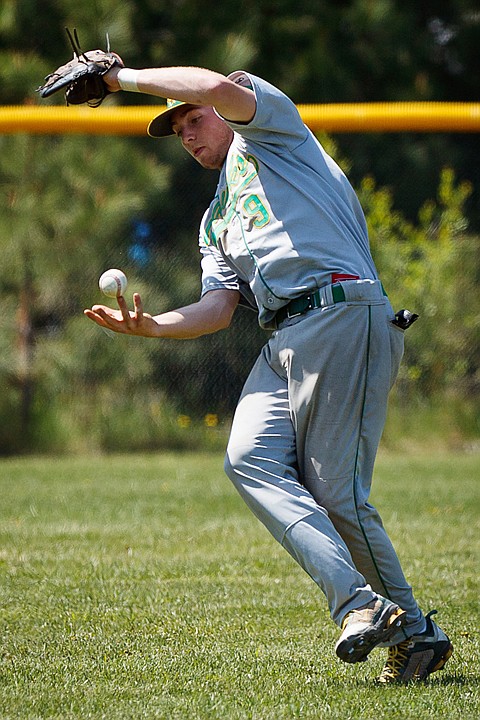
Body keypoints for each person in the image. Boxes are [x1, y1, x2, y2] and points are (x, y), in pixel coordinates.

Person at [84, 60, 453, 683]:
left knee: (337, 493)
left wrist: (121, 80)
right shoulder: (215, 219)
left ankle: (414, 631)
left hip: (340, 313)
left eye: (193, 121)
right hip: (282, 335)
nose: (189, 135)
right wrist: (153, 326)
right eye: (178, 133)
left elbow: (213, 87)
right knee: (247, 457)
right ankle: (365, 606)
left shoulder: (272, 134)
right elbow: (218, 307)